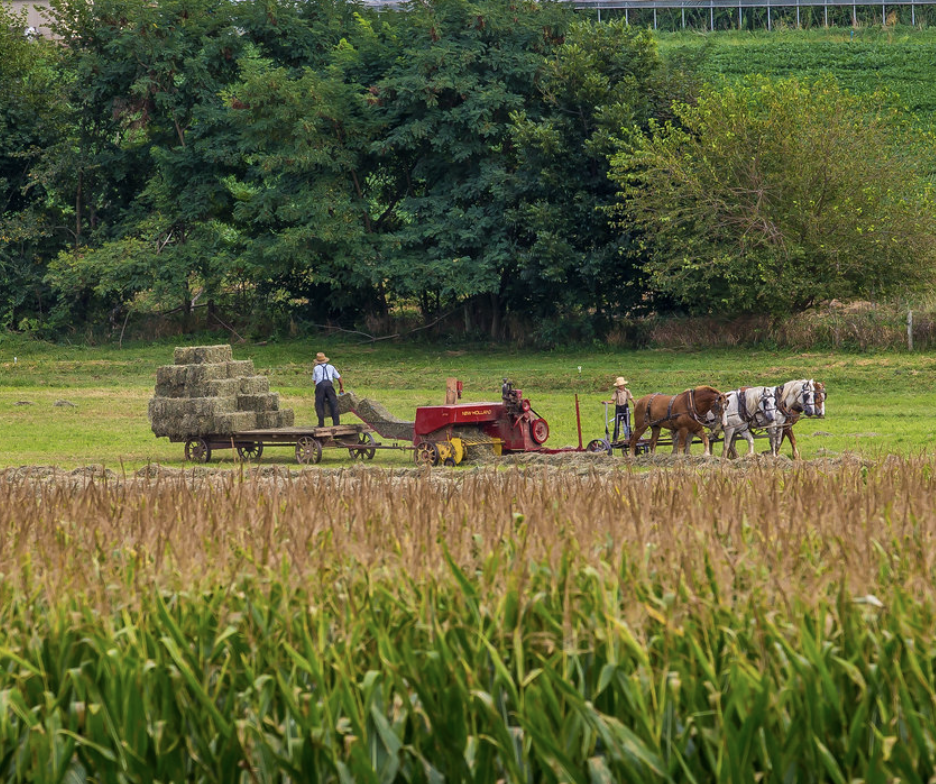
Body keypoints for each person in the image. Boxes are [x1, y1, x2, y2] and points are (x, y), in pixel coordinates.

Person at [312, 352, 344, 427]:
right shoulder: (331, 367)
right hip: (329, 385)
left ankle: (321, 424)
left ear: (317, 361)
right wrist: (341, 387)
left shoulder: (316, 368)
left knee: (319, 404)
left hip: (320, 386)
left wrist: (319, 389)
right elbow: (339, 378)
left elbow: (314, 381)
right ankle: (336, 424)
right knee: (334, 403)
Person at [607, 377, 634, 443]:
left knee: (628, 423)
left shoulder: (627, 391)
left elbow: (631, 399)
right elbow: (612, 400)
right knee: (617, 424)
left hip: (625, 407)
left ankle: (630, 437)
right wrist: (606, 402)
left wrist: (635, 404)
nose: (621, 387)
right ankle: (615, 439)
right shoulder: (616, 392)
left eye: (622, 385)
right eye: (620, 386)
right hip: (618, 408)